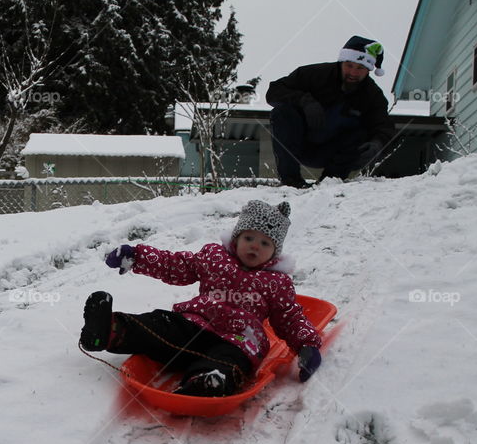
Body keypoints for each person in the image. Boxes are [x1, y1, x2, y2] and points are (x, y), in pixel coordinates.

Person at [79, 200, 322, 397]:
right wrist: (138, 257)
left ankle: (207, 382)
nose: (255, 247)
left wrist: (306, 345)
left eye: (265, 243)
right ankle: (111, 329)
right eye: (249, 238)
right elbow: (176, 265)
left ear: (275, 252)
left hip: (238, 340)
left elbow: (290, 318)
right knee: (161, 323)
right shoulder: (214, 257)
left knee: (231, 361)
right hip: (195, 324)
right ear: (236, 238)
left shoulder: (277, 283)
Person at [266, 35, 396, 189]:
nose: (353, 73)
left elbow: (383, 126)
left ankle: (329, 183)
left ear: (368, 70)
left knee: (362, 133)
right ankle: (290, 181)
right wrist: (305, 101)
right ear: (342, 62)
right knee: (282, 112)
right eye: (349, 65)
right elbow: (274, 92)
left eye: (360, 68)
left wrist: (377, 144)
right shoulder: (313, 74)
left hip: (334, 153)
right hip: (300, 145)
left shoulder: (373, 96)